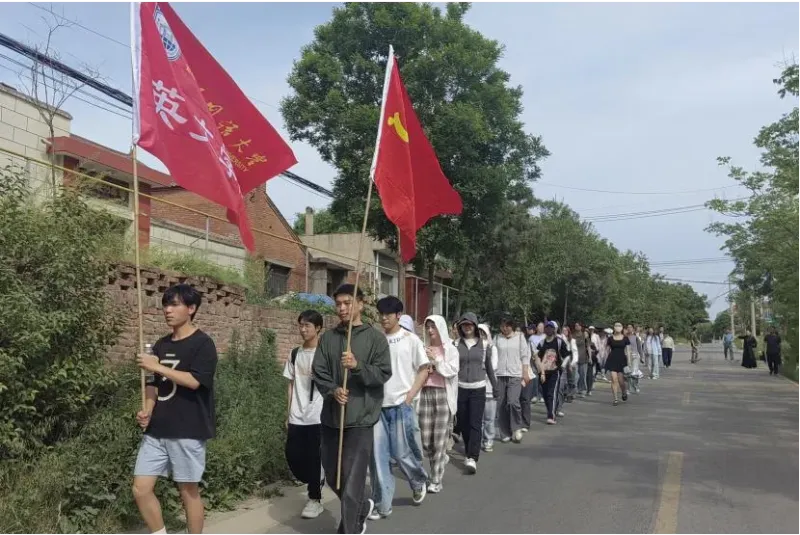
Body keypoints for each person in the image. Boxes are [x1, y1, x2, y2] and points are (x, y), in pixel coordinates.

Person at [133, 284, 218, 535]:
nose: (167, 310)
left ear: (191, 309)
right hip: (157, 429)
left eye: (174, 304)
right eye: (165, 305)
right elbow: (152, 384)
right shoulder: (161, 344)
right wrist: (148, 410)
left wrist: (157, 366)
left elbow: (195, 381)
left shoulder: (203, 344)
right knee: (140, 489)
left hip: (188, 429)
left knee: (188, 491)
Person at [312, 284, 392, 535]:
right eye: (338, 304)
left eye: (347, 303)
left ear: (360, 304)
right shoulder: (328, 338)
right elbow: (319, 372)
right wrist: (333, 390)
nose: (342, 308)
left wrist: (357, 366)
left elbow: (382, 374)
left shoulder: (375, 339)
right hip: (332, 418)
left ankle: (349, 529)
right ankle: (361, 507)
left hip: (361, 418)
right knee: (334, 476)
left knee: (352, 480)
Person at [369, 296, 429, 520]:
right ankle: (383, 504)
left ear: (398, 315)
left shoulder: (410, 340)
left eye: (388, 314)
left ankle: (418, 480)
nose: (384, 318)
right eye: (381, 314)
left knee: (402, 453)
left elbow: (424, 369)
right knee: (378, 457)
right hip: (378, 406)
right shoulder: (376, 341)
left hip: (401, 405)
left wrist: (410, 395)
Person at [284, 310, 325, 520]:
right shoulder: (294, 354)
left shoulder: (325, 354)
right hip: (296, 415)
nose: (303, 329)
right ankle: (316, 478)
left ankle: (314, 498)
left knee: (314, 456)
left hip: (317, 415)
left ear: (318, 328)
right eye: (301, 325)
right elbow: (291, 384)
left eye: (307, 325)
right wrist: (288, 412)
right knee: (292, 455)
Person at [418, 315, 460, 493]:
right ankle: (441, 457)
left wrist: (436, 360)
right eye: (427, 327)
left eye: (433, 327)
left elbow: (452, 370)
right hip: (424, 394)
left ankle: (436, 479)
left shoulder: (450, 349)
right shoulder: (422, 348)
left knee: (439, 439)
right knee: (426, 439)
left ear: (440, 328)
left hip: (443, 394)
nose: (430, 330)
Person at [454, 312, 498, 474]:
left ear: (475, 326)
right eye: (464, 325)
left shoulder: (484, 345)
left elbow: (489, 368)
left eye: (470, 324)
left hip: (478, 388)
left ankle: (473, 456)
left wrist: (495, 387)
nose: (467, 327)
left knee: (475, 423)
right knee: (463, 422)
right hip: (460, 387)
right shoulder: (455, 344)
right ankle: (468, 449)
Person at [493, 317, 531, 443]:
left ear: (512, 326)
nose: (505, 328)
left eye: (507, 326)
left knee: (513, 402)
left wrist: (525, 372)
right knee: (501, 404)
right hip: (500, 375)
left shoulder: (520, 337)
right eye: (502, 326)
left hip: (515, 374)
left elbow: (525, 356)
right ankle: (504, 432)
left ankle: (516, 428)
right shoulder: (497, 338)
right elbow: (492, 355)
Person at [533, 320, 571, 425]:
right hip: (543, 373)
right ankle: (551, 409)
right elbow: (537, 357)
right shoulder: (542, 343)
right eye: (547, 328)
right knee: (545, 394)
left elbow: (567, 355)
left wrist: (563, 366)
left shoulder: (559, 342)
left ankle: (551, 416)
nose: (548, 330)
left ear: (554, 330)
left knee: (552, 393)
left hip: (555, 372)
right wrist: (540, 370)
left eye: (550, 328)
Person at [478, 324, 499, 452]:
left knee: (489, 418)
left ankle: (489, 440)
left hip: (490, 387)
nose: (481, 336)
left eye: (483, 333)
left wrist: (482, 366)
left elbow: (494, 366)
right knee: (478, 418)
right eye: (478, 333)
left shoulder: (492, 348)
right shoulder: (473, 349)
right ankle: (478, 440)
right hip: (477, 386)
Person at [606, 322, 631, 406]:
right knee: (614, 379)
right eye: (616, 326)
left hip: (622, 360)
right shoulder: (610, 339)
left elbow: (628, 350)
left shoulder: (625, 338)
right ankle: (615, 399)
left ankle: (624, 392)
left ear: (622, 327)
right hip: (612, 359)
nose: (617, 327)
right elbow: (607, 350)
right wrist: (604, 360)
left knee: (621, 381)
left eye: (619, 326)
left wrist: (629, 362)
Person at [527, 322, 546, 404]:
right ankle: (534, 395)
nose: (541, 328)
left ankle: (542, 395)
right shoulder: (532, 338)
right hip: (533, 359)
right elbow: (529, 348)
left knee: (542, 377)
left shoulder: (546, 337)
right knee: (535, 378)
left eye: (542, 327)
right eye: (539, 326)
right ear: (537, 328)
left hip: (543, 360)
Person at [574, 323, 592, 397]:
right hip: (574, 359)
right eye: (576, 326)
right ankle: (574, 390)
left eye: (578, 325)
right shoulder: (573, 336)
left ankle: (583, 390)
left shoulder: (584, 336)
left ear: (581, 327)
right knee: (575, 376)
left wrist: (590, 357)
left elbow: (588, 347)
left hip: (583, 358)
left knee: (582, 375)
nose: (577, 327)